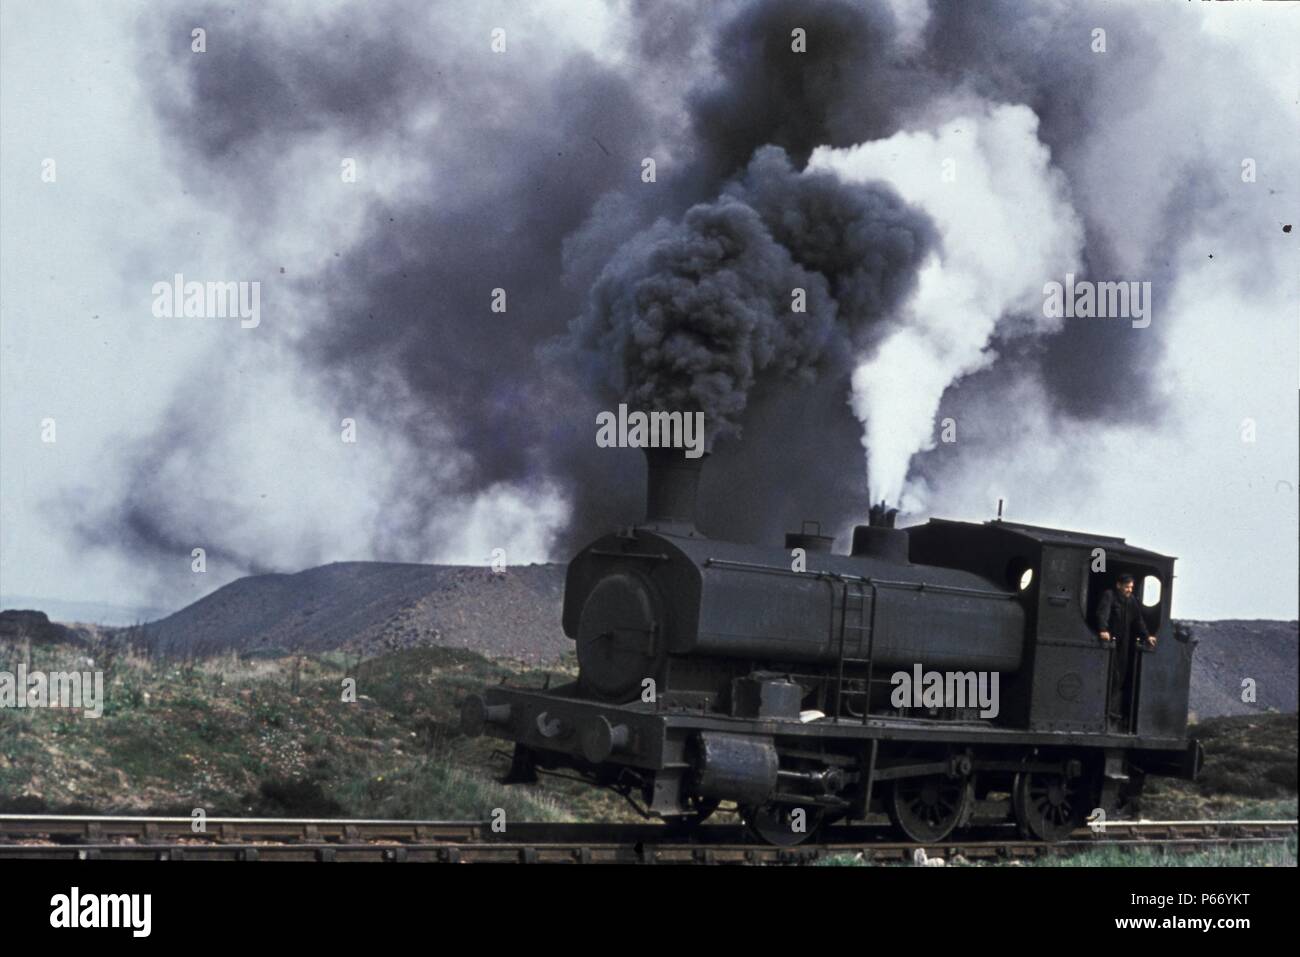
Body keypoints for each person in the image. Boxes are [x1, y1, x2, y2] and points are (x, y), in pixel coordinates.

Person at [1095, 573, 1156, 728]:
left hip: (1124, 643)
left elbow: (1138, 620)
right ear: (1119, 585)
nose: (1129, 590)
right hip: (1110, 641)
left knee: (1120, 676)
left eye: (1131, 587)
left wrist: (1147, 636)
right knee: (1111, 675)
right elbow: (1102, 613)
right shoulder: (1109, 596)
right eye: (1127, 586)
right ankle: (1105, 712)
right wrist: (1103, 629)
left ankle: (1113, 712)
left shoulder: (1132, 601)